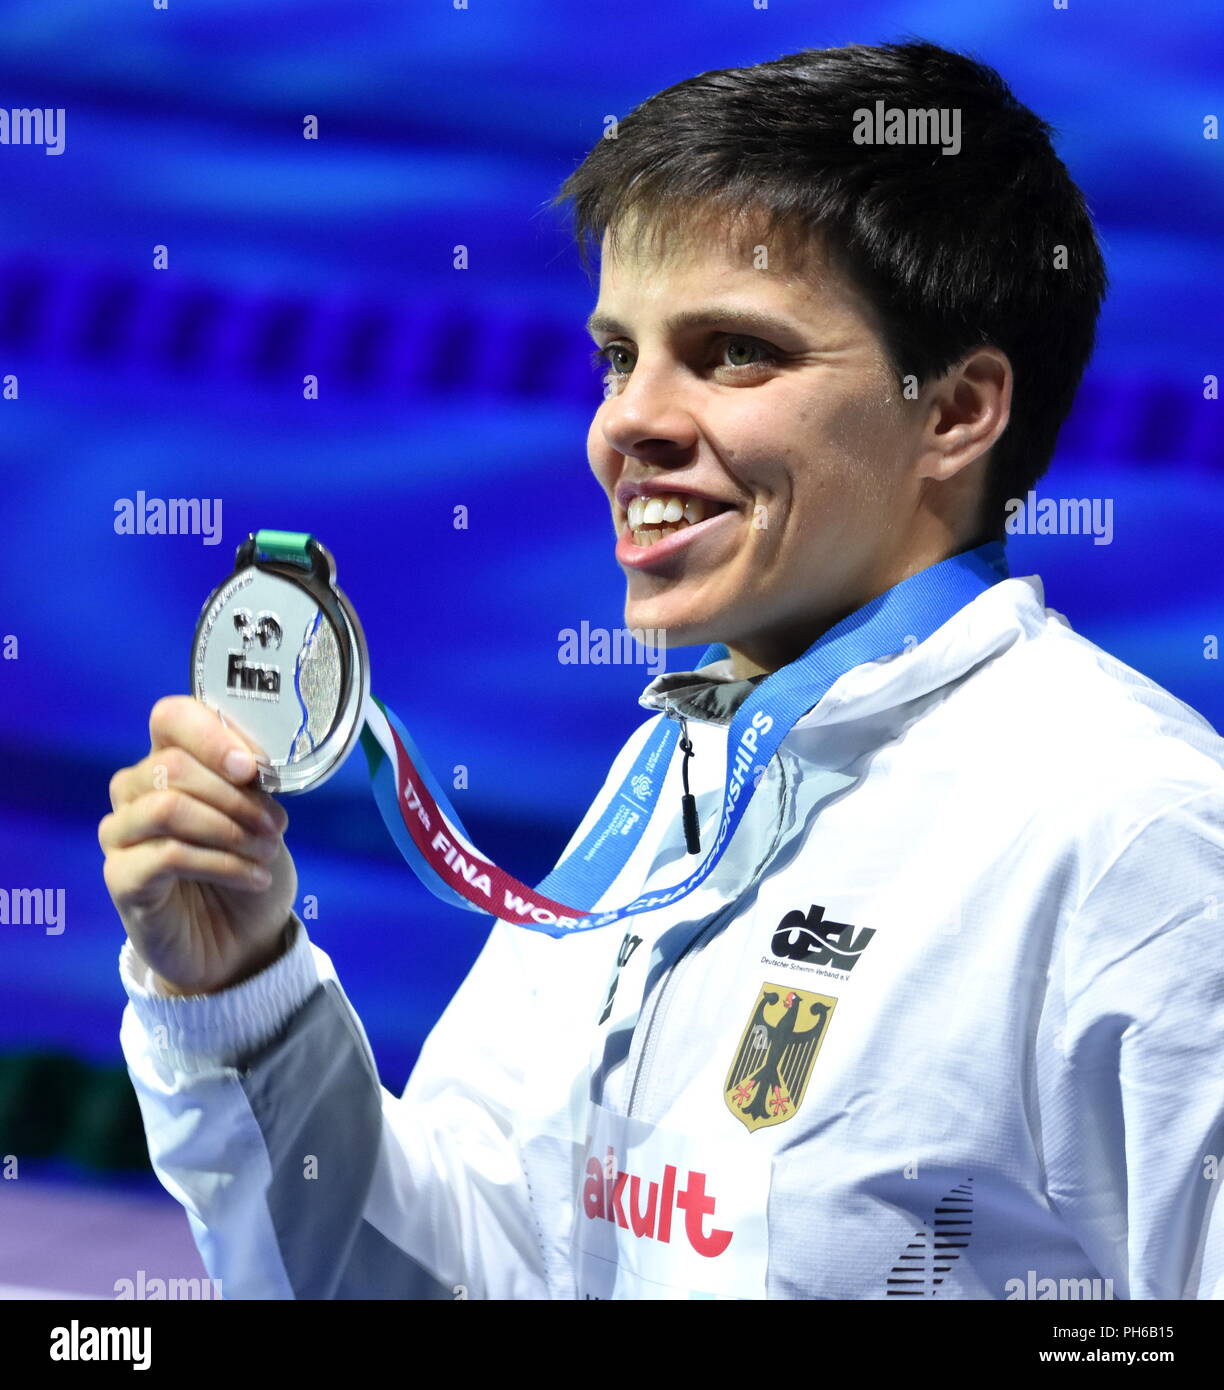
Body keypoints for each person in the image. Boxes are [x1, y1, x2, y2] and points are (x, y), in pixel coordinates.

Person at [100, 40, 1224, 1300]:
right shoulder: (678, 775)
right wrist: (242, 989)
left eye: (735, 351)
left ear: (956, 411)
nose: (624, 423)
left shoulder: (1133, 834)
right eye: (619, 356)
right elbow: (451, 1278)